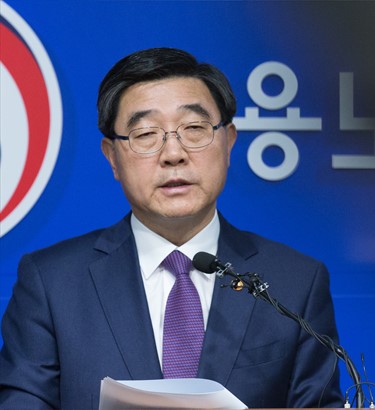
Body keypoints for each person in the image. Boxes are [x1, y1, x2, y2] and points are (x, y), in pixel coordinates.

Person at [0, 47, 344, 409]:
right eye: (146, 134)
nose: (173, 154)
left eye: (194, 128)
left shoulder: (295, 283)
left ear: (228, 141)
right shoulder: (52, 283)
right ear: (112, 156)